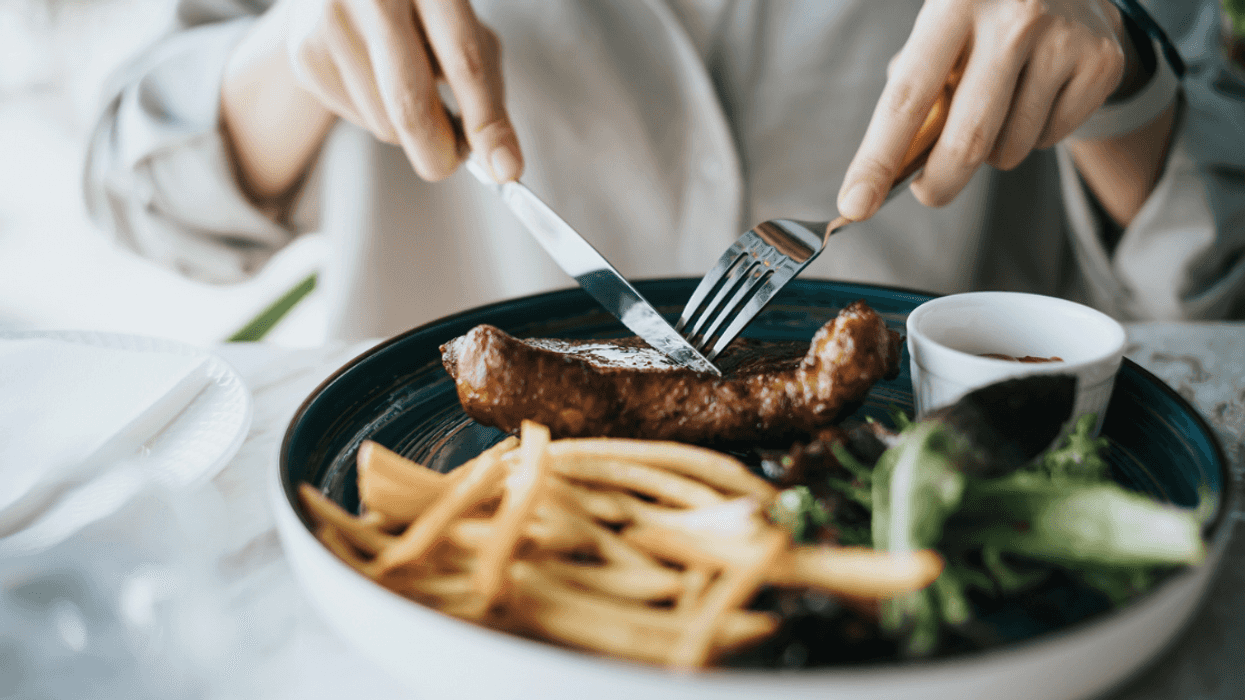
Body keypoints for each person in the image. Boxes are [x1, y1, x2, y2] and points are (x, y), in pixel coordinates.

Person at [85, 0, 1245, 342]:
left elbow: (1221, 287)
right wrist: (295, 50)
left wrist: (1126, 69)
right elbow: (132, 189)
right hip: (423, 583)